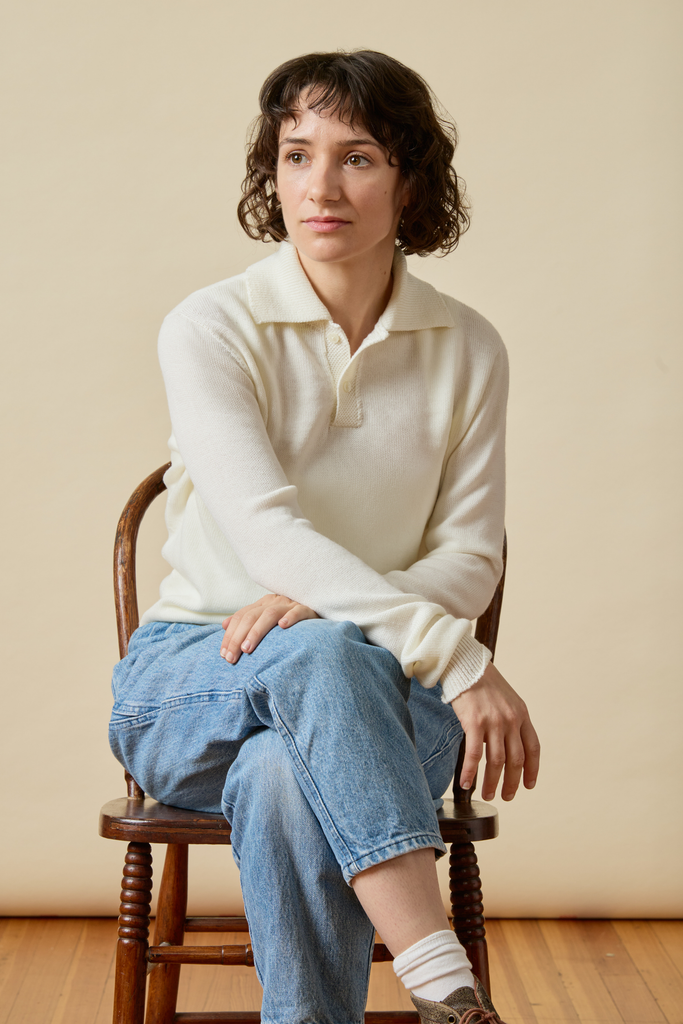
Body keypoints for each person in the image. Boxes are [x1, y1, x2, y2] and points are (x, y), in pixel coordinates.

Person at [109, 50, 540, 1024]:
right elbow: (269, 534)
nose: (318, 185)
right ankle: (442, 978)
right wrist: (458, 662)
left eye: (357, 158)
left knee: (286, 760)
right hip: (192, 679)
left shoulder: (466, 348)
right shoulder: (210, 327)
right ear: (270, 172)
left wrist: (328, 605)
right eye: (295, 154)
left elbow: (471, 555)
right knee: (312, 652)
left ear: (411, 180)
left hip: (386, 700)